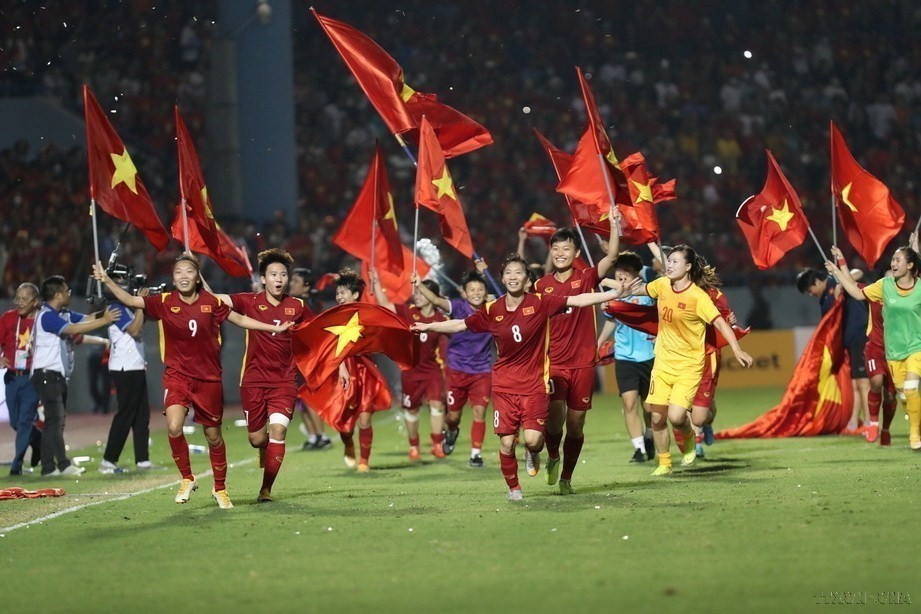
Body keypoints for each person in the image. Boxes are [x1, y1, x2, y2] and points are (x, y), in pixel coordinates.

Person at [411, 254, 637, 501]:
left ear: (527, 278)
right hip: (504, 386)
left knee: (533, 440)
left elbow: (579, 299)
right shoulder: (492, 309)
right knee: (507, 443)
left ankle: (534, 452)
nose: (513, 277)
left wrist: (614, 294)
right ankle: (514, 489)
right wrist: (428, 326)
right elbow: (460, 325)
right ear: (502, 278)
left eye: (519, 272)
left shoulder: (540, 302)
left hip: (534, 386)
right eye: (508, 272)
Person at [94, 255, 293, 508]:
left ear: (197, 277)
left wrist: (272, 328)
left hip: (208, 379)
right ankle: (188, 478)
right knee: (174, 427)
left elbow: (240, 320)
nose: (184, 276)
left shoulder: (211, 302)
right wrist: (107, 280)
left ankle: (220, 488)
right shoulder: (164, 302)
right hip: (177, 376)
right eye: (178, 272)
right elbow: (132, 300)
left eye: (189, 271)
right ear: (173, 277)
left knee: (213, 437)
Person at [623, 245, 753, 476]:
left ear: (689, 267)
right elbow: (642, 291)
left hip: (689, 366)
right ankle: (665, 463)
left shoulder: (697, 297)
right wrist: (622, 292)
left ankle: (691, 437)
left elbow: (721, 323)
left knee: (676, 417)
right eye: (668, 261)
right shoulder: (662, 284)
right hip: (662, 363)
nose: (669, 265)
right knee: (656, 416)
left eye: (674, 261)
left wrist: (737, 348)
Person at [207, 248, 312, 501]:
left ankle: (266, 489)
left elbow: (317, 337)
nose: (279, 279)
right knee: (256, 439)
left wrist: (337, 364)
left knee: (278, 431)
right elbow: (212, 299)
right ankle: (263, 448)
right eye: (273, 274)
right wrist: (198, 275)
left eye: (283, 275)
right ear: (263, 279)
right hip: (253, 380)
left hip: (284, 382)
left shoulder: (298, 306)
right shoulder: (248, 301)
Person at [533, 214, 620, 494]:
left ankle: (566, 478)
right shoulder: (540, 286)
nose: (560, 254)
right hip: (554, 363)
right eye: (556, 249)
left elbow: (612, 257)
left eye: (566, 249)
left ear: (576, 252)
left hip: (582, 363)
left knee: (576, 425)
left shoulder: (587, 278)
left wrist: (615, 226)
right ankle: (553, 457)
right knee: (555, 422)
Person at [825, 244, 921, 449]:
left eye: (898, 261)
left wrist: (915, 247)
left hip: (916, 348)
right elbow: (855, 289)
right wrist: (837, 270)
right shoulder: (883, 287)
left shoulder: (919, 286)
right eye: (892, 261)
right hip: (890, 350)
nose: (893, 264)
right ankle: (888, 424)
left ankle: (914, 435)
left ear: (910, 265)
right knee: (900, 394)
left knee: (911, 389)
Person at [31, 275, 120, 477]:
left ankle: (47, 467)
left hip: (55, 374)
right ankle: (63, 465)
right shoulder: (47, 315)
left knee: (52, 422)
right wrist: (104, 320)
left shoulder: (60, 313)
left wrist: (103, 313)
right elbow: (73, 329)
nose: (69, 294)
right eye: (66, 291)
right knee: (56, 420)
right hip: (47, 374)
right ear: (57, 295)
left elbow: (85, 319)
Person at [414, 265, 494, 467]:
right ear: (464, 293)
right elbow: (436, 300)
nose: (476, 293)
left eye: (480, 289)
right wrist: (419, 285)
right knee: (453, 416)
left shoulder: (492, 309)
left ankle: (476, 453)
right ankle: (452, 430)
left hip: (482, 370)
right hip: (456, 369)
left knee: (479, 412)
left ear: (485, 292)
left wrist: (487, 275)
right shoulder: (458, 307)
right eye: (472, 290)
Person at [372, 270, 447, 461]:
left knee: (437, 405)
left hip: (432, 371)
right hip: (410, 372)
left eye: (422, 293)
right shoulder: (408, 312)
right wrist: (376, 282)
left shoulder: (441, 319)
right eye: (417, 292)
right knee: (411, 410)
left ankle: (438, 445)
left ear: (433, 297)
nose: (417, 295)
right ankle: (414, 447)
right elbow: (384, 306)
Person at [596, 252, 657, 463]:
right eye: (618, 270)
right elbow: (611, 321)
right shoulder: (613, 296)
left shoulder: (649, 293)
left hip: (650, 356)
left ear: (636, 274)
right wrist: (599, 343)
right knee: (629, 404)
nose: (621, 274)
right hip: (624, 356)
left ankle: (649, 436)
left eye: (626, 271)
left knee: (649, 407)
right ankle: (639, 448)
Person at [796, 266, 871, 434]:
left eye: (809, 289)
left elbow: (858, 271)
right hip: (849, 340)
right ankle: (853, 422)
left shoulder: (836, 280)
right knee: (855, 382)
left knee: (863, 382)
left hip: (861, 334)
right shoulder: (824, 300)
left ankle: (870, 422)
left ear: (816, 281)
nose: (810, 294)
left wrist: (843, 283)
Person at [99, 282, 154, 474]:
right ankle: (109, 459)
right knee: (125, 415)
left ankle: (143, 460)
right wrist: (141, 304)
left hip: (134, 367)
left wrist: (142, 305)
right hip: (125, 368)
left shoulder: (126, 308)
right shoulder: (116, 308)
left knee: (141, 416)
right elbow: (135, 330)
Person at [687, 262, 737, 458]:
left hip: (708, 355)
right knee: (683, 401)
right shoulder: (675, 291)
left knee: (701, 414)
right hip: (682, 356)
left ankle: (706, 422)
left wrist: (731, 322)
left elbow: (726, 322)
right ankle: (695, 443)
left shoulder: (714, 295)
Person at [289, 267, 332, 450]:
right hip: (296, 356)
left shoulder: (307, 305)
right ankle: (313, 435)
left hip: (307, 357)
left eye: (296, 282)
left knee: (308, 397)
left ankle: (321, 435)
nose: (291, 284)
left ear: (306, 287)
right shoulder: (301, 302)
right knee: (300, 398)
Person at [0, 282, 41, 476]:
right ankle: (37, 439)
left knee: (24, 421)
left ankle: (16, 467)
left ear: (35, 301)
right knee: (16, 422)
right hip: (11, 378)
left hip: (32, 379)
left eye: (25, 299)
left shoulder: (42, 321)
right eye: (18, 298)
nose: (20, 302)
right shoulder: (8, 318)